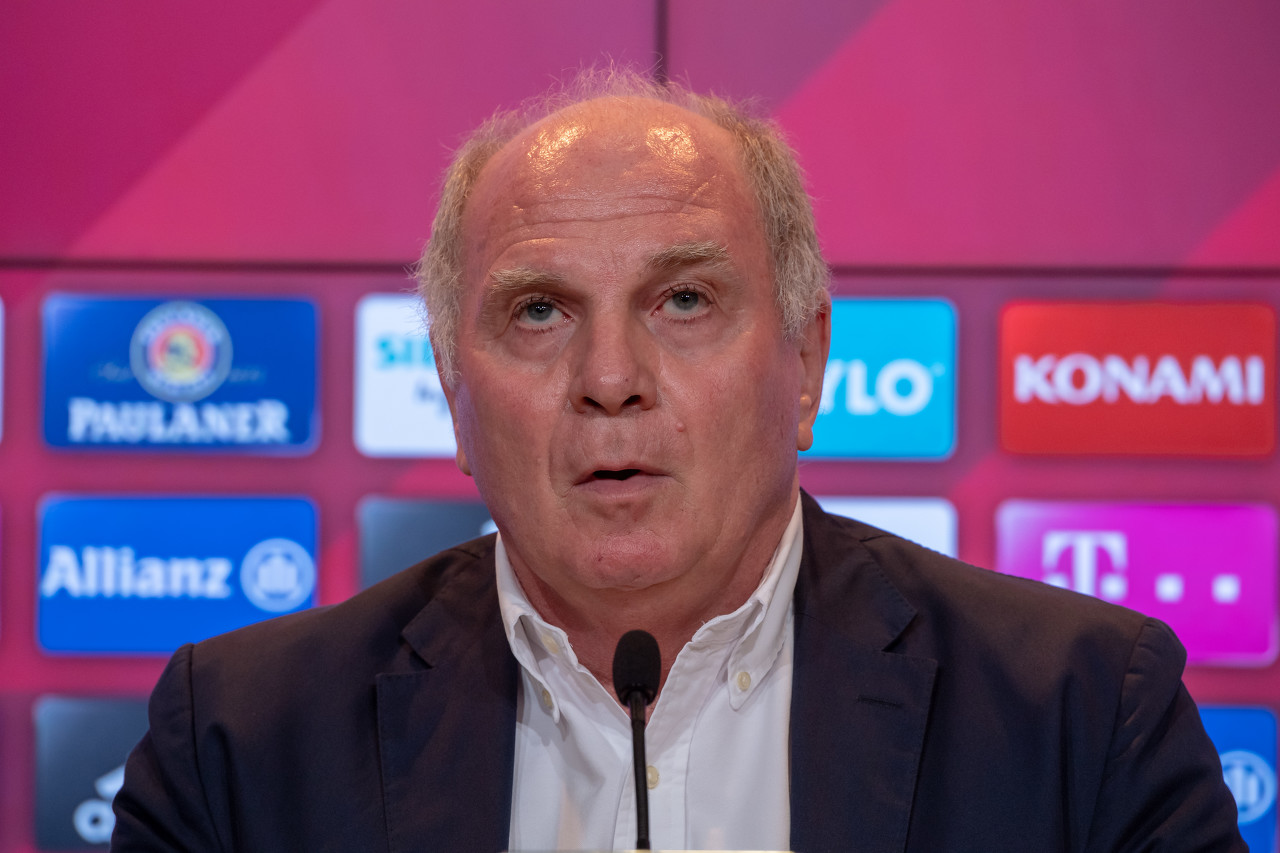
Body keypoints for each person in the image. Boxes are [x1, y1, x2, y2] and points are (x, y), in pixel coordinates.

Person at [111, 70, 1244, 852]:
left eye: (685, 300)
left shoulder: (1082, 717)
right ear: (455, 397)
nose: (611, 376)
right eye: (540, 310)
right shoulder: (239, 745)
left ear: (805, 363)